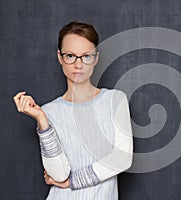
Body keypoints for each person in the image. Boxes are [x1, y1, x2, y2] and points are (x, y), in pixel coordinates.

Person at [13, 21, 133, 199]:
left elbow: (123, 159)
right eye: (70, 56)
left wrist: (73, 181)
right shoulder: (48, 111)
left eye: (86, 56)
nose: (78, 65)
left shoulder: (115, 100)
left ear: (96, 58)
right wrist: (42, 121)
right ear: (60, 57)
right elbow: (59, 175)